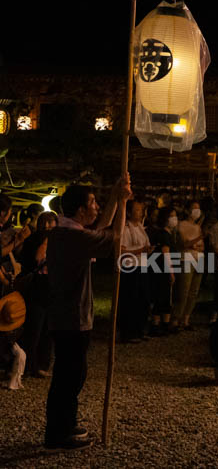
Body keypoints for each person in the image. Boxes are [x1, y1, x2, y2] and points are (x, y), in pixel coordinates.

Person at [45, 176, 131, 450]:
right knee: (70, 376)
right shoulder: (72, 236)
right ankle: (58, 434)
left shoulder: (66, 232)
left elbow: (100, 229)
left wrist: (117, 198)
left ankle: (65, 424)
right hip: (72, 316)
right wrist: (123, 202)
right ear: (80, 210)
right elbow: (113, 238)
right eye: (93, 202)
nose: (97, 207)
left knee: (70, 374)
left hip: (66, 315)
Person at [16, 211, 57, 376]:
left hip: (51, 287)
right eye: (45, 223)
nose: (47, 227)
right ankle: (30, 365)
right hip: (37, 287)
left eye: (51, 224)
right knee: (35, 327)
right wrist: (46, 240)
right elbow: (35, 258)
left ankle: (42, 364)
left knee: (48, 328)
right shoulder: (33, 240)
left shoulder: (59, 242)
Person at [117, 200, 151, 343]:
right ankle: (127, 332)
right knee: (130, 299)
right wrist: (140, 250)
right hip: (130, 268)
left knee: (142, 299)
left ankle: (139, 329)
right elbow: (122, 250)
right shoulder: (125, 229)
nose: (140, 212)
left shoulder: (140, 228)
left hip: (142, 266)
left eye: (141, 209)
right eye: (137, 210)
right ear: (129, 212)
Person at [170, 200, 204, 331]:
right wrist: (196, 242)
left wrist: (195, 244)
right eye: (194, 208)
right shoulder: (181, 225)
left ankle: (186, 319)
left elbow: (201, 246)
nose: (197, 211)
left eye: (198, 208)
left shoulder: (197, 226)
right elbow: (185, 243)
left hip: (199, 259)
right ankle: (175, 319)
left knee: (194, 292)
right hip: (186, 259)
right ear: (187, 210)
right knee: (183, 290)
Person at [146, 207, 176, 336]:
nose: (175, 219)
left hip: (159, 268)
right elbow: (166, 254)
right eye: (172, 216)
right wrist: (171, 272)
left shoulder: (165, 233)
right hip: (162, 270)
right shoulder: (164, 234)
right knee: (162, 295)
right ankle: (156, 324)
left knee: (163, 296)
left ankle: (162, 324)